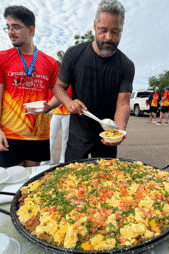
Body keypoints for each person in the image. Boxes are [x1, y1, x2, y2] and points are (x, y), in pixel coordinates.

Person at [49, 0, 132, 160]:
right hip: (78, 135)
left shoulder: (126, 65)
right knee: (72, 174)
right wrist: (68, 102)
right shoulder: (74, 54)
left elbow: (123, 103)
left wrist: (119, 131)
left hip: (107, 135)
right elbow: (58, 87)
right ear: (95, 26)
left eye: (115, 31)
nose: (108, 37)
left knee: (106, 174)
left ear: (121, 30)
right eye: (103, 30)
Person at [1, 5, 60, 167]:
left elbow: (60, 93)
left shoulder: (50, 63)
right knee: (13, 180)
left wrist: (49, 106)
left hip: (38, 136)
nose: (10, 32)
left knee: (31, 181)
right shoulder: (3, 58)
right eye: (8, 27)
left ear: (31, 30)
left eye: (16, 27)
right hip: (10, 135)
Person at [47, 87, 72, 165]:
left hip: (67, 113)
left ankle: (63, 157)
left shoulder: (70, 84)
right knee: (51, 136)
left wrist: (64, 101)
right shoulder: (56, 84)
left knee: (65, 137)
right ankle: (48, 158)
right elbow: (51, 94)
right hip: (56, 112)